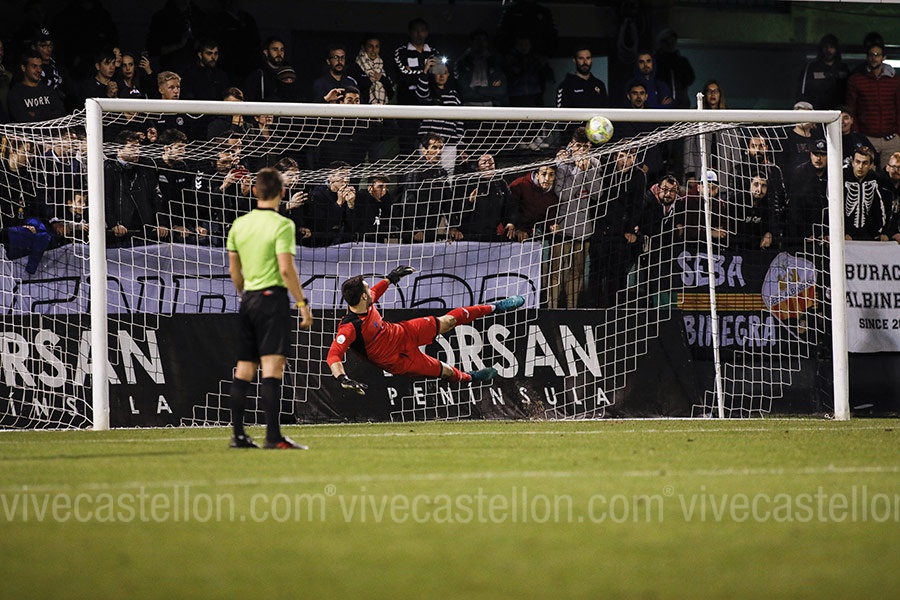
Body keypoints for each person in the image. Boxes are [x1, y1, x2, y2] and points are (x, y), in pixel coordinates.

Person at [226, 166, 313, 449]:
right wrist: (302, 304)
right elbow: (286, 269)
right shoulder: (282, 225)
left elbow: (234, 271)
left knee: (244, 368)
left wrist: (246, 294)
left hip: (248, 299)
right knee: (272, 368)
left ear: (255, 191)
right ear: (282, 192)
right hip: (272, 300)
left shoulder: (239, 225)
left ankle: (239, 435)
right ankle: (273, 437)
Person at [327, 266, 522, 392]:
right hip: (397, 360)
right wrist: (343, 378)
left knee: (448, 321)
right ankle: (471, 377)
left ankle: (497, 306)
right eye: (367, 289)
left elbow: (376, 291)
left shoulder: (365, 302)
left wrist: (390, 278)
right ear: (363, 297)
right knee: (445, 371)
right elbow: (333, 355)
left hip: (403, 332)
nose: (371, 290)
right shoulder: (349, 327)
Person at [547, 127, 601, 308]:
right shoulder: (562, 163)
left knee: (577, 272)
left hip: (583, 227)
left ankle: (572, 309)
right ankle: (552, 309)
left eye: (586, 146)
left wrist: (588, 170)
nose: (582, 150)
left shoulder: (595, 163)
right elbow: (563, 195)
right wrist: (578, 171)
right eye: (578, 146)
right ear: (571, 144)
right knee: (556, 271)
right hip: (562, 226)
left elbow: (597, 194)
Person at [586, 147, 645, 308]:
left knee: (618, 276)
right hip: (601, 232)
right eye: (621, 156)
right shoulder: (605, 171)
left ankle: (616, 311)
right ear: (614, 158)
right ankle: (591, 311)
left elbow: (637, 205)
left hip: (621, 234)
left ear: (635, 159)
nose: (625, 160)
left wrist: (631, 229)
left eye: (630, 157)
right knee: (596, 274)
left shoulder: (639, 176)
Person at [104, 130, 169, 247]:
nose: (137, 151)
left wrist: (161, 222)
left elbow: (156, 196)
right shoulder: (109, 168)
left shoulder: (146, 166)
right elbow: (106, 198)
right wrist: (113, 224)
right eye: (132, 148)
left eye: (138, 148)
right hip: (121, 231)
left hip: (146, 229)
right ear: (119, 150)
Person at [846, 41, 900, 169]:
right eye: (871, 54)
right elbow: (852, 109)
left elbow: (899, 107)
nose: (874, 58)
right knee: (866, 174)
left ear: (883, 57)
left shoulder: (895, 80)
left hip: (891, 138)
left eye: (877, 55)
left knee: (892, 175)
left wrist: (899, 133)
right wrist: (857, 135)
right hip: (866, 137)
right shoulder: (856, 80)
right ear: (867, 57)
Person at [448, 154, 516, 241]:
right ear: (477, 168)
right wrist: (469, 201)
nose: (488, 165)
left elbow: (510, 206)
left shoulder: (501, 184)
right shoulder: (467, 184)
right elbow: (455, 210)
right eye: (484, 163)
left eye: (491, 162)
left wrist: (510, 222)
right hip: (468, 236)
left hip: (491, 235)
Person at [415, 60, 464, 175]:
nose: (442, 76)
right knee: (425, 174)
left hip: (449, 144)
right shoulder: (428, 93)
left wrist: (461, 146)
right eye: (438, 72)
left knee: (448, 176)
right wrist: (426, 69)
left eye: (445, 73)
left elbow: (459, 122)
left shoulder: (454, 95)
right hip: (428, 143)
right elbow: (421, 94)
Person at [843, 145, 890, 241]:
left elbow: (881, 206)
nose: (860, 167)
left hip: (868, 234)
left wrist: (883, 232)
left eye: (865, 163)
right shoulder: (842, 177)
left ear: (871, 165)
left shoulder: (876, 179)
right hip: (844, 233)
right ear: (852, 162)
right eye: (857, 162)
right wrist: (842, 232)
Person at [7, 50, 66, 123]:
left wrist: (35, 114)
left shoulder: (48, 90)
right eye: (34, 66)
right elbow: (21, 119)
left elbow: (61, 113)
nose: (39, 70)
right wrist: (49, 113)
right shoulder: (16, 93)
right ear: (23, 68)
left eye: (40, 66)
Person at [787, 139, 828, 241]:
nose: (818, 158)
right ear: (810, 154)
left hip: (828, 232)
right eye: (815, 154)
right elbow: (794, 207)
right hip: (804, 233)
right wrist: (805, 233)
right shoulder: (799, 173)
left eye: (823, 155)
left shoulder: (833, 173)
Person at [454, 29, 508, 107]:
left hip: (492, 106)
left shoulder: (495, 62)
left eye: (484, 40)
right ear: (471, 42)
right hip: (468, 106)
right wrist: (488, 93)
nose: (481, 43)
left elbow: (500, 91)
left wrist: (478, 90)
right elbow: (464, 93)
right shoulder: (462, 63)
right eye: (478, 40)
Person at [797, 33, 849, 110]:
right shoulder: (811, 67)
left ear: (837, 49)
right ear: (821, 49)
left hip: (838, 112)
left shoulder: (843, 68)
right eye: (825, 47)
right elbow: (802, 92)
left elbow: (849, 93)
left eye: (832, 47)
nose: (828, 50)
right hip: (816, 112)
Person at [509, 164, 559, 242]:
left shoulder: (554, 195)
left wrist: (552, 227)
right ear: (537, 175)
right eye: (543, 174)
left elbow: (549, 221)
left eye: (551, 175)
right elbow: (507, 210)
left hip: (528, 235)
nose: (547, 179)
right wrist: (517, 228)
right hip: (507, 232)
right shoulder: (520, 185)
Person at [344, 174, 393, 242]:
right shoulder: (361, 199)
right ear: (370, 188)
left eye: (386, 187)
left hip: (377, 242)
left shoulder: (387, 199)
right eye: (380, 187)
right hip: (359, 242)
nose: (384, 191)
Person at [244, 36, 286, 102]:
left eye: (282, 50)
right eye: (275, 49)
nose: (279, 53)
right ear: (266, 52)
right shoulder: (258, 75)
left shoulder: (288, 73)